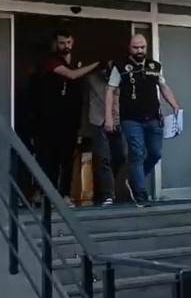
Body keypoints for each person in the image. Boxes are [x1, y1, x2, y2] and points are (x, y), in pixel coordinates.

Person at [105, 34, 181, 207]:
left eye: (142, 47)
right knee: (137, 154)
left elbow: (163, 86)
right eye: (135, 47)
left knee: (155, 153)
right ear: (129, 48)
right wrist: (109, 117)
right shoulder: (120, 67)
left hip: (153, 117)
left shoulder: (154, 66)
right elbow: (110, 90)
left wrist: (174, 105)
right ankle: (141, 194)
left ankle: (134, 180)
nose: (139, 50)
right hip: (130, 119)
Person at [35, 29, 98, 207]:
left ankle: (64, 194)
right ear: (55, 43)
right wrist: (96, 64)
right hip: (50, 119)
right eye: (62, 43)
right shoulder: (51, 61)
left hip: (71, 119)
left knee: (67, 159)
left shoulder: (74, 62)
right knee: (51, 159)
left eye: (69, 42)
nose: (66, 46)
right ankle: (47, 194)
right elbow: (72, 75)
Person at [85, 61, 125, 206]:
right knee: (103, 158)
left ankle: (105, 184)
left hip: (117, 121)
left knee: (120, 157)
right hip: (98, 121)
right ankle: (108, 194)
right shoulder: (93, 79)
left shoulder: (122, 78)